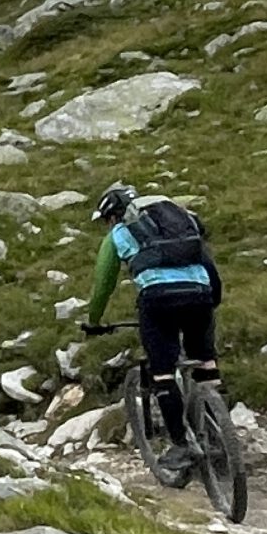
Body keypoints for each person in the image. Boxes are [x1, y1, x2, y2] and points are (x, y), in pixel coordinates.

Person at [82, 181, 221, 476]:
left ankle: (181, 446)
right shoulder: (179, 225)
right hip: (201, 295)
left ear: (112, 216)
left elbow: (104, 284)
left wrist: (94, 321)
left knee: (163, 372)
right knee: (205, 361)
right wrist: (212, 299)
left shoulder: (119, 233)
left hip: (158, 301)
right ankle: (220, 435)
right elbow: (207, 263)